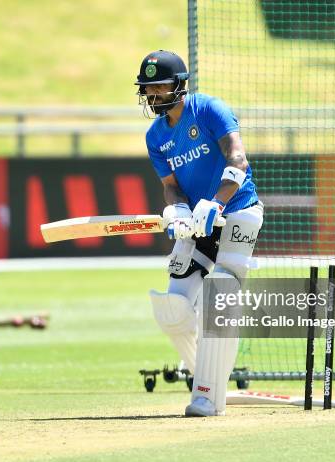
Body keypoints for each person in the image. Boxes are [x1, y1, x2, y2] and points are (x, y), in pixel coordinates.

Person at [135, 50, 264, 417]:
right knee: (172, 311)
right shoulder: (156, 136)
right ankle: (211, 378)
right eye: (147, 88)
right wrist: (176, 210)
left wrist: (216, 204)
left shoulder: (209, 110)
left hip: (238, 212)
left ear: (179, 84)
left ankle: (206, 396)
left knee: (218, 297)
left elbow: (238, 159)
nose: (153, 94)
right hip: (198, 224)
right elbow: (171, 186)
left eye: (159, 86)